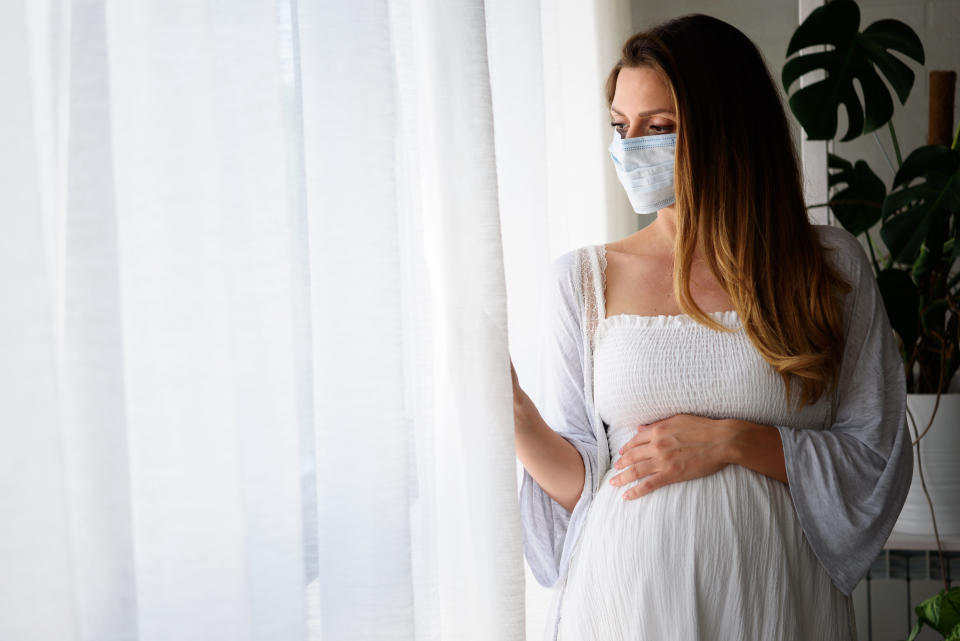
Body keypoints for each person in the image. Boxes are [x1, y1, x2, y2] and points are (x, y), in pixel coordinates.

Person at [510, 13, 913, 641]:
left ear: (728, 128)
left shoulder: (826, 267)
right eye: (621, 127)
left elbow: (875, 453)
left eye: (659, 127)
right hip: (626, 605)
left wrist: (734, 441)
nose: (630, 147)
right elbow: (583, 488)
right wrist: (515, 418)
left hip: (777, 601)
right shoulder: (581, 282)